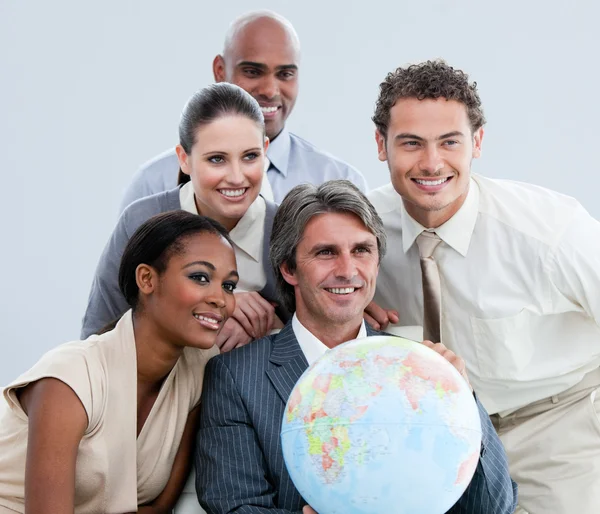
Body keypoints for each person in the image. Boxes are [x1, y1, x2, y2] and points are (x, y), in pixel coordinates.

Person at [195, 180, 517, 514]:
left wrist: (464, 400)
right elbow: (234, 506)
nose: (347, 271)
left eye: (362, 250)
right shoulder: (235, 377)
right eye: (326, 252)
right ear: (289, 269)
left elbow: (493, 508)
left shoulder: (423, 374)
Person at [366, 59, 600, 513]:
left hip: (551, 426)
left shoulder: (552, 233)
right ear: (381, 145)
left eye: (449, 142)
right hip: (428, 439)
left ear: (477, 141)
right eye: (411, 143)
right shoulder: (359, 233)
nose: (431, 163)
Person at [0, 211, 237, 513]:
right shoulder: (70, 377)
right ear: (147, 279)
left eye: (229, 285)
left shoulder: (200, 369)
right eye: (199, 277)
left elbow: (158, 507)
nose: (221, 298)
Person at [82, 83, 288, 351]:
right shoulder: (140, 220)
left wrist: (269, 324)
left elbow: (315, 345)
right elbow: (96, 339)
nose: (237, 177)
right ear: (184, 159)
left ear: (265, 151)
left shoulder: (290, 229)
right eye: (217, 159)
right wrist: (222, 308)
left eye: (250, 156)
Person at [118, 10, 367, 211]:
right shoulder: (154, 183)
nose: (270, 90)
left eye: (285, 74)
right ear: (219, 71)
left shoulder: (340, 180)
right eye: (252, 71)